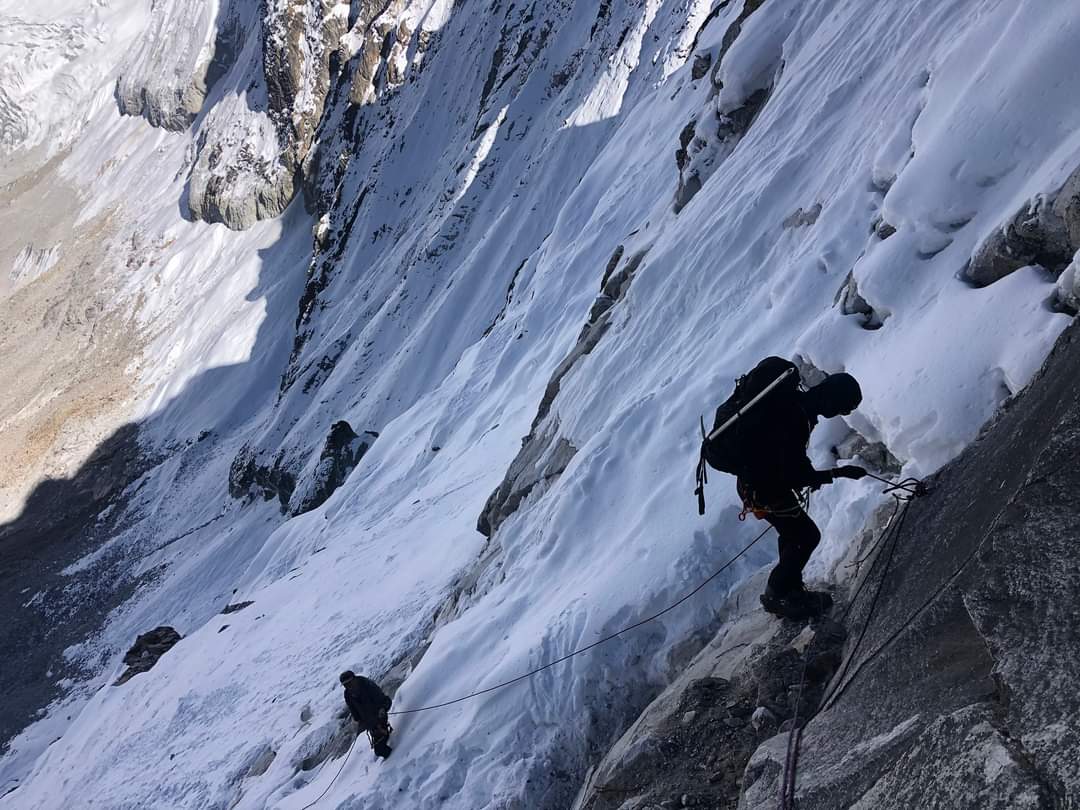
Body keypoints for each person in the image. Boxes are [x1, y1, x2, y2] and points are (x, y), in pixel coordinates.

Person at [733, 365, 867, 620]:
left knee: (792, 532)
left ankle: (790, 589)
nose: (843, 413)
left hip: (758, 484)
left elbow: (789, 459)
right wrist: (837, 474)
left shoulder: (798, 405)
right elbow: (795, 472)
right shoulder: (796, 417)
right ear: (831, 399)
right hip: (766, 489)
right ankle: (777, 595)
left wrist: (808, 474)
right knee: (807, 537)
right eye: (843, 407)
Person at [340, 671, 393, 758]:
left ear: (354, 679)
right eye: (345, 685)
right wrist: (359, 720)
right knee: (379, 747)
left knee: (380, 750)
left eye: (349, 683)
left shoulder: (366, 685)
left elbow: (382, 698)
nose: (348, 686)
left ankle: (396, 757)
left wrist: (382, 709)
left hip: (379, 717)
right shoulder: (348, 694)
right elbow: (353, 710)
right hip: (370, 723)